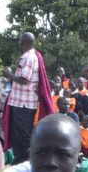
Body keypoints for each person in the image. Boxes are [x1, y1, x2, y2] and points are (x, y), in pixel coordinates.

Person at [3, 32, 54, 165]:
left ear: (24, 43)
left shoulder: (29, 57)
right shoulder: (29, 56)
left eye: (20, 41)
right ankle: (19, 161)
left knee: (23, 135)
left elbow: (25, 79)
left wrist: (10, 76)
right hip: (19, 101)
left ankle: (25, 161)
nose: (18, 44)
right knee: (18, 134)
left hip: (24, 103)